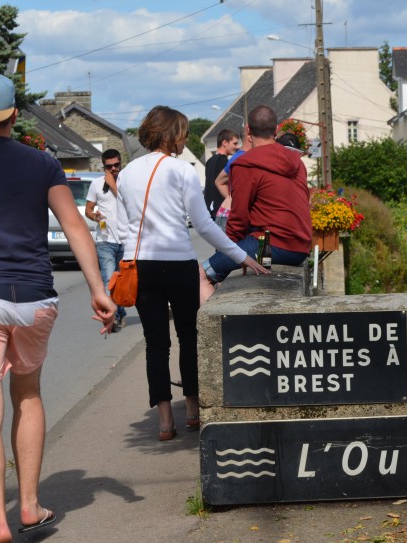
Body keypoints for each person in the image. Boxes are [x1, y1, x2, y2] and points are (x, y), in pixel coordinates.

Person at [0, 73, 115, 543]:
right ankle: (29, 506)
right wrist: (98, 288)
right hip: (34, 298)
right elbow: (75, 227)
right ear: (15, 115)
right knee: (27, 394)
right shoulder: (41, 164)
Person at [115, 105, 267, 442]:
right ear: (170, 135)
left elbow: (124, 228)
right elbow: (204, 226)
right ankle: (194, 409)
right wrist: (242, 256)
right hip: (178, 263)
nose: (185, 140)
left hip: (140, 265)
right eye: (182, 133)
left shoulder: (125, 173)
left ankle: (165, 421)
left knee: (156, 344)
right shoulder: (181, 171)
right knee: (188, 337)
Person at [201, 105, 312, 289]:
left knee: (202, 275)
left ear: (248, 131)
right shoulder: (296, 162)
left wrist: (228, 253)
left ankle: (212, 318)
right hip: (300, 248)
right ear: (276, 129)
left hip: (268, 244)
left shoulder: (245, 164)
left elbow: (239, 219)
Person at [85, 149, 128, 331]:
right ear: (104, 167)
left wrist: (113, 185)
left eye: (116, 165)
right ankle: (113, 316)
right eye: (109, 167)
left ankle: (120, 312)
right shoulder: (96, 184)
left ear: (121, 164)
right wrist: (94, 216)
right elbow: (88, 210)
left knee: (122, 282)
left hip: (125, 240)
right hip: (105, 240)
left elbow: (130, 202)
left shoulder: (127, 182)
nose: (113, 169)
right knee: (109, 279)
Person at [212, 129, 252, 231]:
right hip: (230, 216)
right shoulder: (238, 158)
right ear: (250, 138)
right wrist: (236, 202)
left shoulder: (233, 158)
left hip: (223, 212)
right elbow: (219, 182)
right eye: (234, 143)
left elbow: (217, 182)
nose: (236, 146)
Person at [204, 128, 240, 221]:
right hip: (220, 211)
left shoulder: (209, 161)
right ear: (224, 143)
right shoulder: (223, 160)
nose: (237, 147)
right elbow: (225, 184)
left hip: (210, 210)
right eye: (234, 143)